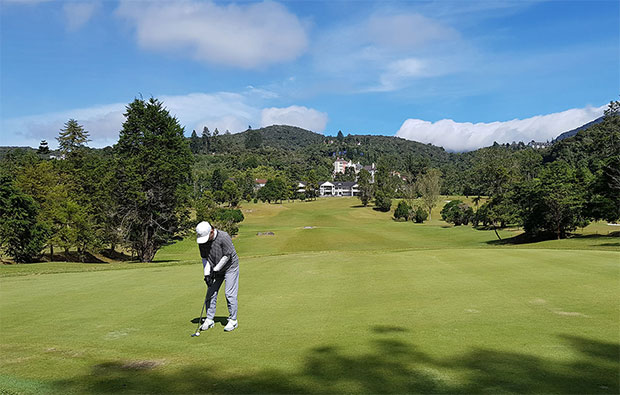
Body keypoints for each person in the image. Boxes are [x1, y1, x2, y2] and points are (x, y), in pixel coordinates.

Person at [196, 221, 239, 332]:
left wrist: (215, 270)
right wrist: (207, 274)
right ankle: (209, 319)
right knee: (210, 293)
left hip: (230, 267)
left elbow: (227, 256)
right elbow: (205, 259)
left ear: (211, 231)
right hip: (215, 268)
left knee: (229, 294)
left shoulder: (224, 237)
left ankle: (233, 320)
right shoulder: (202, 241)